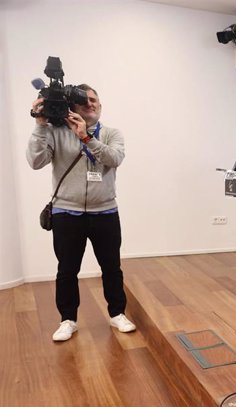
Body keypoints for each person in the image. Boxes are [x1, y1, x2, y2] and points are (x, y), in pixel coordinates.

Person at [27, 84, 136, 341]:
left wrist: (87, 137)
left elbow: (114, 158)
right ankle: (68, 319)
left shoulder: (111, 133)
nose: (90, 104)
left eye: (94, 100)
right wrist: (40, 124)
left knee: (111, 267)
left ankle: (117, 313)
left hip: (106, 211)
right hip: (67, 212)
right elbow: (35, 161)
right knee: (67, 269)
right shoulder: (55, 132)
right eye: (84, 100)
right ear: (73, 106)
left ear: (100, 105)